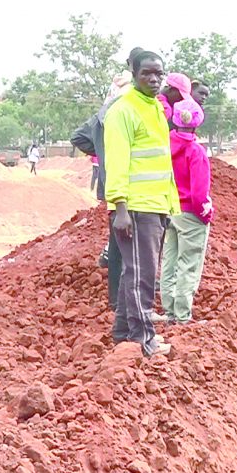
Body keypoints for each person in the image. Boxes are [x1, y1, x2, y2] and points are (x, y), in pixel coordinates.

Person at [103, 50, 180, 356]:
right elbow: (117, 162)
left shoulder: (155, 109)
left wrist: (169, 206)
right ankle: (142, 339)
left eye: (158, 74)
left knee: (133, 274)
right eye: (146, 73)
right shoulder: (124, 111)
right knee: (142, 275)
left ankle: (124, 333)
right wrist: (120, 207)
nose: (153, 79)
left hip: (155, 205)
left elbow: (161, 163)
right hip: (135, 208)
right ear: (133, 74)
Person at [71, 47, 145, 307]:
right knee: (129, 247)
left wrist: (102, 155)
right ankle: (126, 302)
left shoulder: (105, 110)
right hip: (131, 186)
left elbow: (78, 137)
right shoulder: (133, 106)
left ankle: (118, 300)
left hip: (111, 184)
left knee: (117, 244)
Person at [158, 85, 213, 324]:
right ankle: (182, 316)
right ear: (197, 122)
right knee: (189, 264)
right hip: (190, 213)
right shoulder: (196, 152)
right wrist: (205, 215)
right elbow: (200, 193)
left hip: (170, 210)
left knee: (169, 261)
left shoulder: (164, 147)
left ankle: (169, 310)